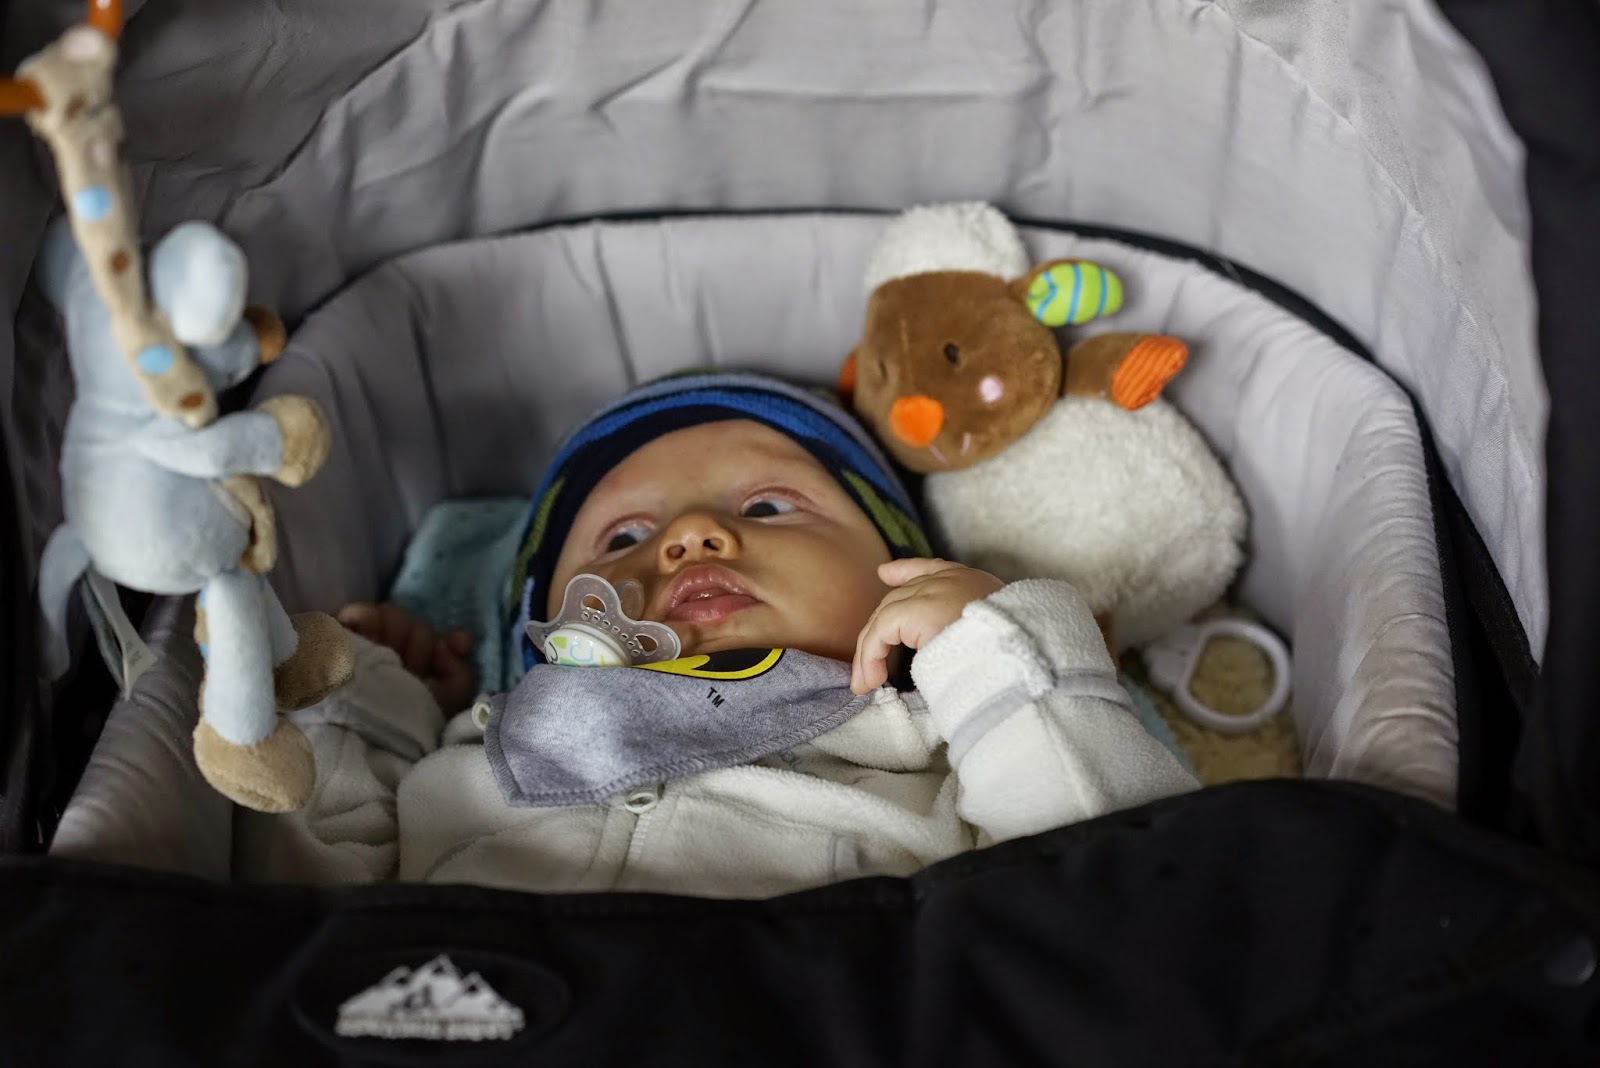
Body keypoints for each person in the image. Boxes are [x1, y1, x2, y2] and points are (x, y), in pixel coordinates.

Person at [240, 372, 1197, 896]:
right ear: (537, 633)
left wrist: (991, 646)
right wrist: (370, 703)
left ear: (902, 574)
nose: (692, 535)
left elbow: (1125, 895)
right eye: (623, 537)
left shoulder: (941, 753)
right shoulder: (475, 762)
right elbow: (294, 909)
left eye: (769, 506)